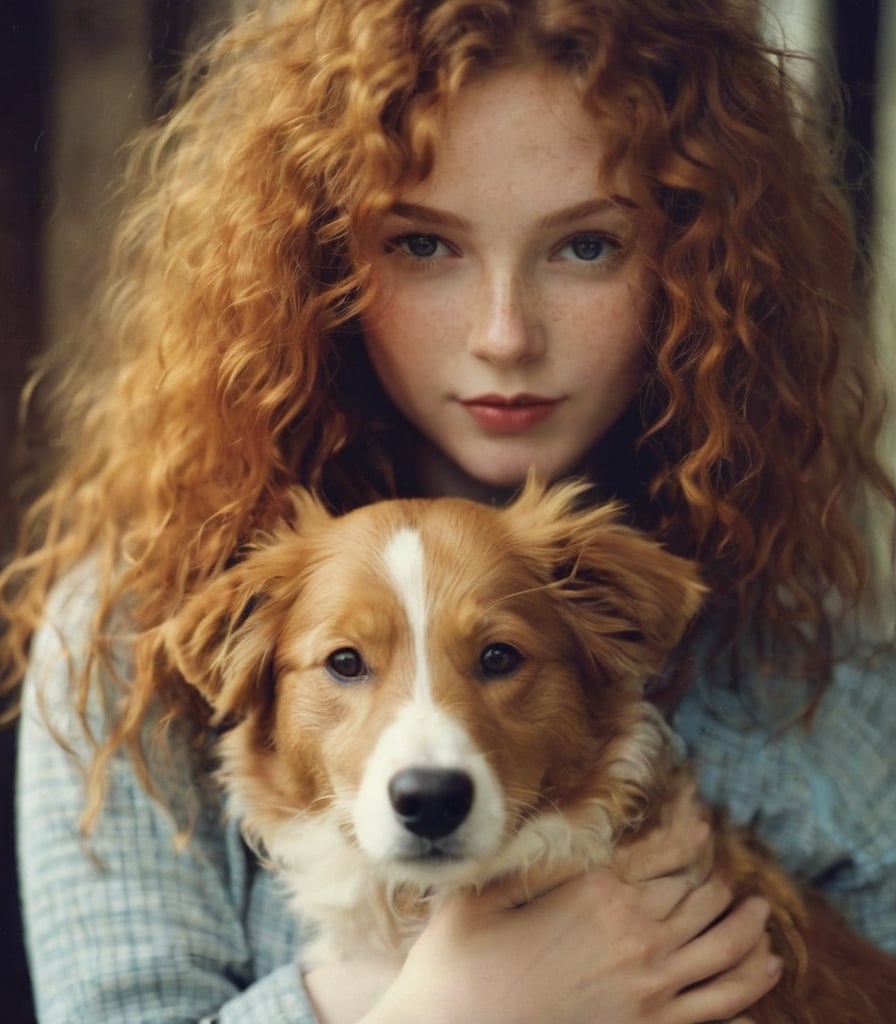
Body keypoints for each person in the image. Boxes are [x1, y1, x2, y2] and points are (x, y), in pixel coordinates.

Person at [4, 0, 895, 1021]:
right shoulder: (124, 643)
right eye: (425, 245)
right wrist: (446, 1000)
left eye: (586, 245)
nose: (504, 333)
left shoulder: (831, 697)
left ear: (690, 261)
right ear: (322, 255)